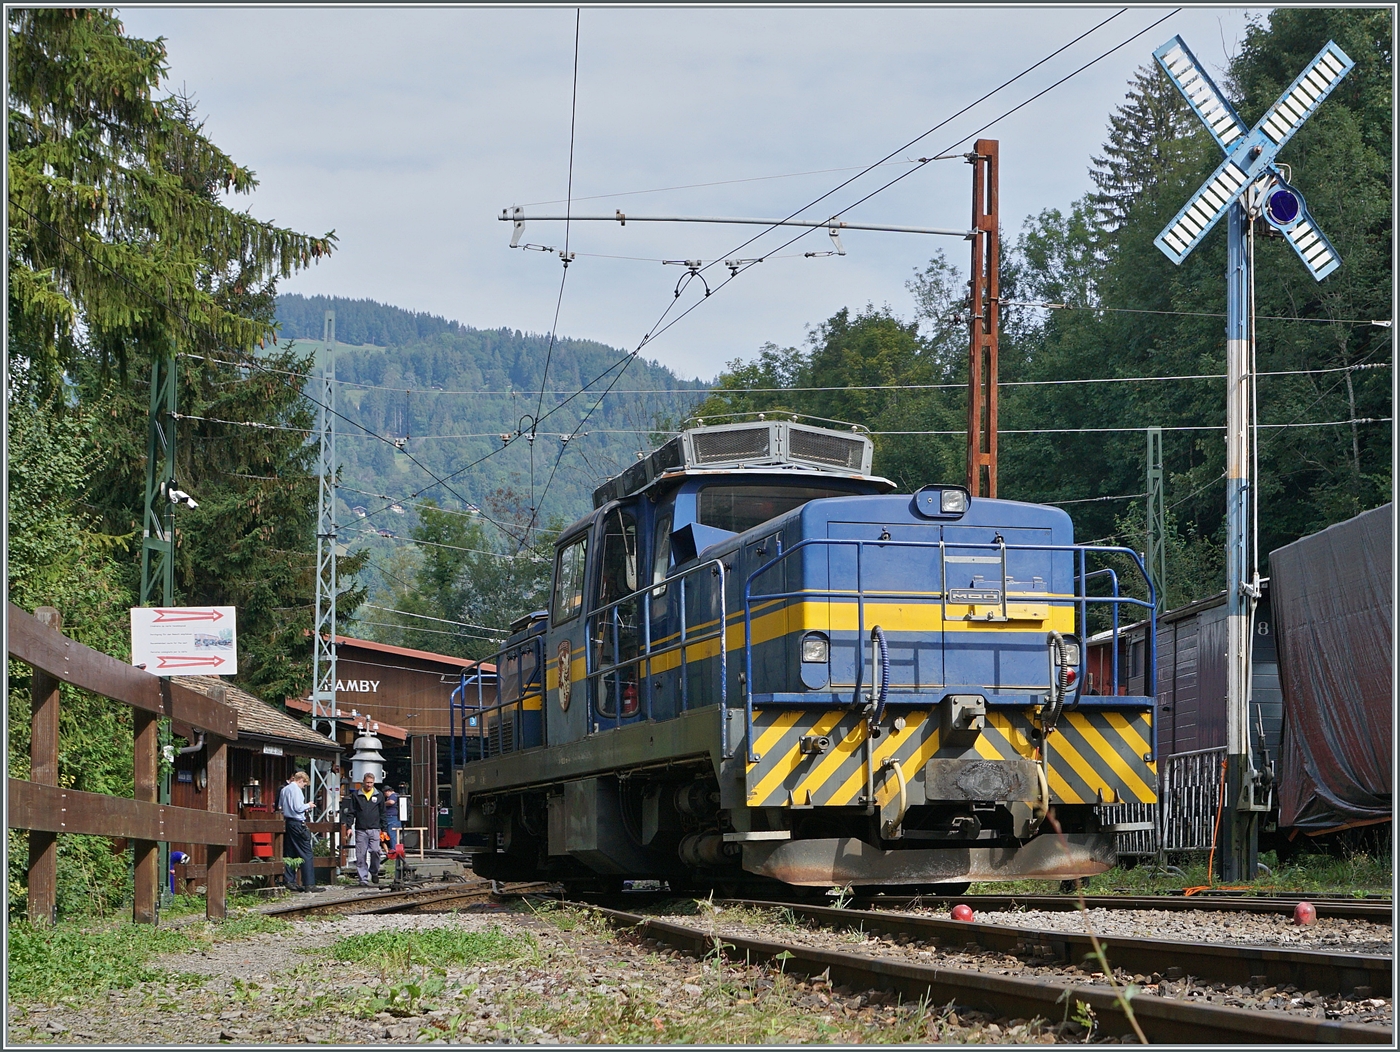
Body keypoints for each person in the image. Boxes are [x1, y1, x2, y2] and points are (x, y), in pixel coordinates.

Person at [340, 771, 389, 887]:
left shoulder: (379, 795)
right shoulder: (356, 795)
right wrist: (349, 827)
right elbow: (351, 812)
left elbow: (383, 813)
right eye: (367, 782)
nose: (369, 785)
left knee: (376, 851)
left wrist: (384, 828)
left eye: (371, 783)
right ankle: (363, 879)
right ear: (363, 782)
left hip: (375, 829)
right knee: (360, 855)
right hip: (361, 829)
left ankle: (374, 871)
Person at [278, 771, 323, 892]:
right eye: (305, 784)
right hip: (297, 823)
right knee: (306, 853)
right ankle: (309, 884)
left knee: (290, 852)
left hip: (288, 822)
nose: (304, 787)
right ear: (301, 780)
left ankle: (289, 881)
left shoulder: (284, 789)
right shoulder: (296, 790)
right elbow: (298, 807)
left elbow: (280, 806)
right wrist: (308, 805)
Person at [384, 786, 405, 852]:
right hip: (393, 818)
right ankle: (395, 849)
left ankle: (394, 849)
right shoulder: (397, 795)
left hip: (392, 818)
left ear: (387, 791)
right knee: (393, 834)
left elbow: (391, 802)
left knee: (392, 834)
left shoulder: (393, 796)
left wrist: (383, 804)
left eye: (385, 793)